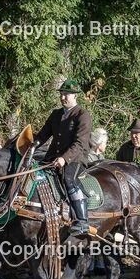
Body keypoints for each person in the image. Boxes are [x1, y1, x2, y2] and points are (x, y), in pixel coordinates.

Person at [33, 78, 93, 236]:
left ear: (75, 96)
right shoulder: (56, 114)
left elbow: (80, 143)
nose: (63, 97)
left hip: (75, 159)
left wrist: (64, 159)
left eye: (66, 94)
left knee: (69, 179)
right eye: (61, 94)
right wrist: (30, 146)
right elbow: (42, 136)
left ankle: (82, 220)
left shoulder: (82, 115)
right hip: (52, 158)